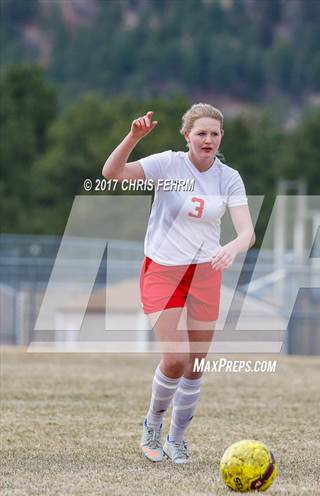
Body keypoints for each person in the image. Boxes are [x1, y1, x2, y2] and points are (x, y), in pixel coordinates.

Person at [102, 103, 255, 464]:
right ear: (187, 135)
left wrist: (233, 246)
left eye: (215, 133)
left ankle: (177, 438)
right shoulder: (168, 164)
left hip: (205, 274)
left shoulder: (228, 177)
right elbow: (111, 173)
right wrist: (133, 137)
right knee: (175, 358)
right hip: (163, 271)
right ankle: (152, 424)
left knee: (196, 364)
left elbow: (247, 231)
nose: (208, 139)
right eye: (201, 133)